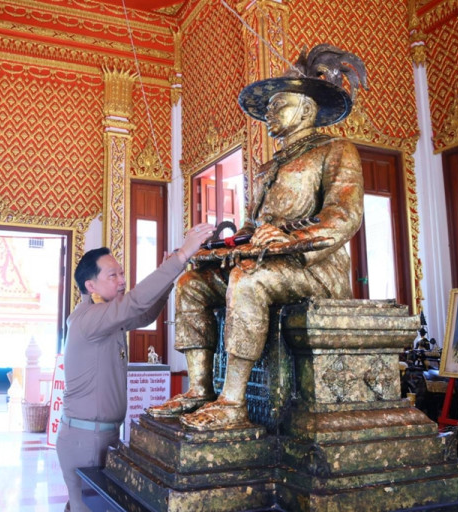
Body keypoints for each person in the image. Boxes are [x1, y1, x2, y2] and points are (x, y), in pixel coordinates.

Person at [148, 44, 368, 430]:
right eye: (268, 107)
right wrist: (223, 247)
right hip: (270, 260)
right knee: (190, 284)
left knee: (246, 279)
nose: (269, 112)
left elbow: (344, 216)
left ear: (306, 110)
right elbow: (252, 226)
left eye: (279, 105)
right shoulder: (269, 166)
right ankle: (199, 388)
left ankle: (233, 401)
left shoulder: (335, 149)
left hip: (314, 268)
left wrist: (288, 238)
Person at [56, 224, 214, 512]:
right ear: (91, 286)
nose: (122, 280)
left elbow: (143, 314)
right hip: (85, 439)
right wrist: (181, 256)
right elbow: (135, 302)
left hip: (101, 434)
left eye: (121, 273)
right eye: (112, 275)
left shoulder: (107, 319)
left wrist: (169, 278)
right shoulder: (88, 319)